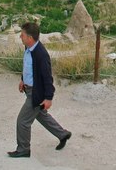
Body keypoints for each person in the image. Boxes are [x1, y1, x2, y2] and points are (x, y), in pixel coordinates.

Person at [8, 22, 72, 158]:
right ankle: (63, 134)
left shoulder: (41, 55)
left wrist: (48, 98)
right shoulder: (28, 48)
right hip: (30, 89)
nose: (20, 37)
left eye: (23, 35)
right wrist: (22, 80)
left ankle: (24, 149)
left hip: (36, 94)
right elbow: (28, 67)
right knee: (41, 115)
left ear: (30, 38)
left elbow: (48, 78)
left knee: (23, 121)